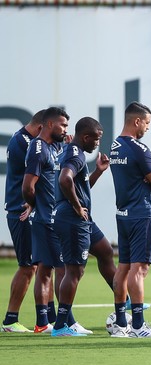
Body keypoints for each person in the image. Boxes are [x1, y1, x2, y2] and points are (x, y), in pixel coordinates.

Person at [108, 102, 151, 338]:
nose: (148, 128)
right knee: (139, 269)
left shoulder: (115, 146)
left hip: (123, 213)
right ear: (137, 121)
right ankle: (139, 325)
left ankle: (121, 322)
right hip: (142, 213)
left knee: (123, 267)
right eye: (147, 123)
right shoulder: (139, 149)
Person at [50, 117, 108, 336]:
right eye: (96, 139)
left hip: (74, 218)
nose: (97, 144)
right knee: (74, 272)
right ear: (85, 137)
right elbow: (65, 180)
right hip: (72, 219)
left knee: (103, 253)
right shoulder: (76, 154)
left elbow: (79, 187)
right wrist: (77, 207)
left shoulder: (71, 152)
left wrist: (98, 171)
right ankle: (61, 325)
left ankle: (125, 303)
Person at [23, 106, 70, 334]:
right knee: (59, 269)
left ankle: (45, 322)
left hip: (52, 217)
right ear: (49, 124)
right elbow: (28, 187)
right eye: (63, 125)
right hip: (46, 218)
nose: (65, 129)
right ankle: (62, 322)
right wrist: (36, 204)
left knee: (48, 268)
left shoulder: (54, 146)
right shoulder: (38, 149)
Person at [2, 109, 44, 333]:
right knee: (28, 267)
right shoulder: (24, 143)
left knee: (34, 266)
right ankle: (10, 320)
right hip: (22, 211)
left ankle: (43, 319)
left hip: (25, 209)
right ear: (41, 127)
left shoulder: (22, 139)